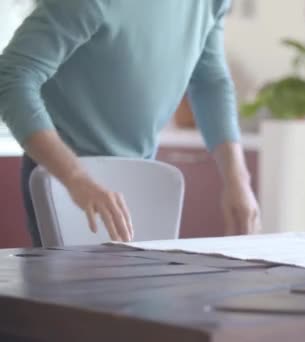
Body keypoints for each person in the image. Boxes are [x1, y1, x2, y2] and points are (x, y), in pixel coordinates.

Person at [0, 0, 260, 247]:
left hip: (141, 172)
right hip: (67, 177)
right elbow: (12, 76)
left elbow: (210, 81)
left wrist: (237, 179)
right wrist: (75, 176)